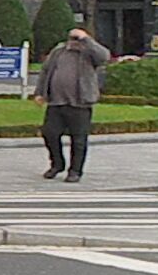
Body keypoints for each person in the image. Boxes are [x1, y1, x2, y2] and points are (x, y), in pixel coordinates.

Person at [34, 19, 112, 183]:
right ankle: (57, 164)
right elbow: (46, 71)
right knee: (50, 133)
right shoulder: (59, 51)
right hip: (56, 102)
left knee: (78, 139)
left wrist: (86, 40)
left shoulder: (89, 52)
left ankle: (75, 171)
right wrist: (40, 93)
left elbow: (104, 56)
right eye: (72, 38)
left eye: (77, 38)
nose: (73, 42)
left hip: (80, 103)